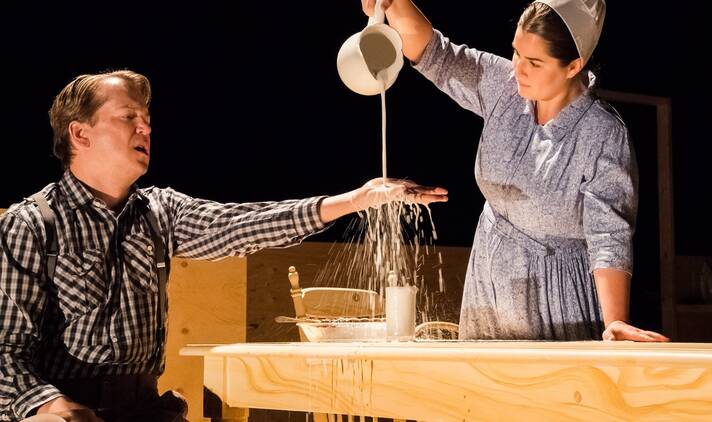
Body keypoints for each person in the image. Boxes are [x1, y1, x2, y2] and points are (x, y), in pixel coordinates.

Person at [0, 70, 448, 422]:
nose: (145, 128)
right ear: (80, 135)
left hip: (144, 409)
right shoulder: (34, 225)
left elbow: (241, 225)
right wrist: (55, 410)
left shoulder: (159, 213)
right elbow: (6, 355)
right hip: (66, 409)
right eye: (128, 117)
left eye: (148, 121)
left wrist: (355, 201)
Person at [360, 0, 670, 343]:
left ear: (573, 66)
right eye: (516, 53)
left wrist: (615, 322)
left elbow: (609, 236)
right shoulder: (505, 89)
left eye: (534, 62)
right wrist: (394, 3)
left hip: (556, 301)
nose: (519, 69)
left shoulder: (601, 133)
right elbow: (436, 53)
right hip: (487, 286)